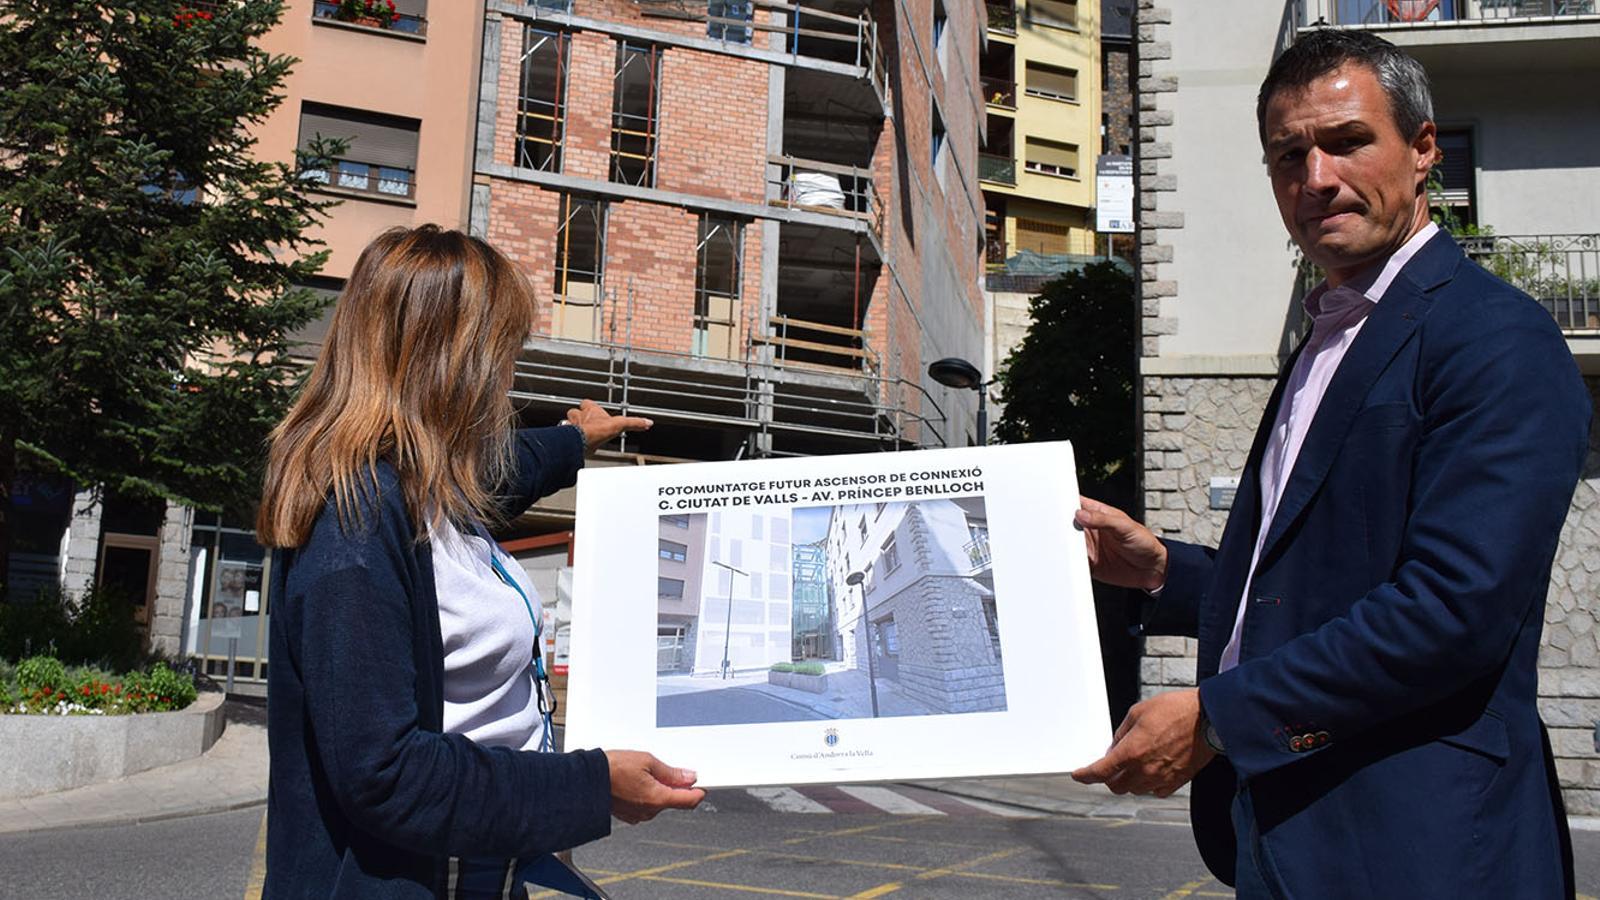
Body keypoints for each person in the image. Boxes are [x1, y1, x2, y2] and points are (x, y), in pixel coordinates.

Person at [1071, 30, 1589, 898]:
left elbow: (1452, 611)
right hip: (1282, 840)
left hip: (1422, 851)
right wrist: (1164, 574)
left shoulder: (1496, 337)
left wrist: (1217, 719)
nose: (1316, 179)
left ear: (1424, 150)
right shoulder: (1329, 337)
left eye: (1347, 142)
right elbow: (1312, 584)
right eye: (1288, 156)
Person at [257, 225, 704, 899]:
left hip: (480, 871)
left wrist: (576, 439)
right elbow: (387, 777)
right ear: (453, 362)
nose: (510, 376)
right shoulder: (355, 525)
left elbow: (508, 470)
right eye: (505, 352)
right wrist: (590, 785)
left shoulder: (428, 487)